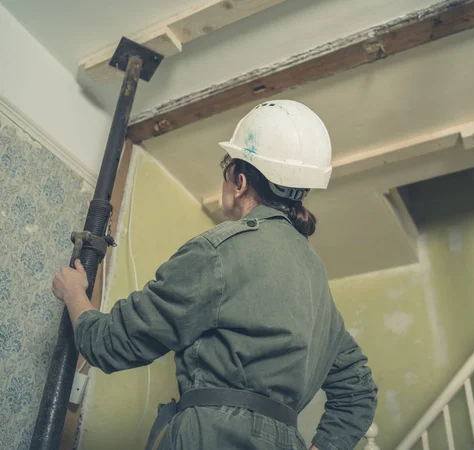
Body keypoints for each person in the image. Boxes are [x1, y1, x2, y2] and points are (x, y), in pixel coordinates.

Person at [52, 100, 378, 450]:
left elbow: (111, 344)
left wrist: (74, 293)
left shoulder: (218, 251)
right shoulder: (315, 279)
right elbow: (358, 392)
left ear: (239, 182)